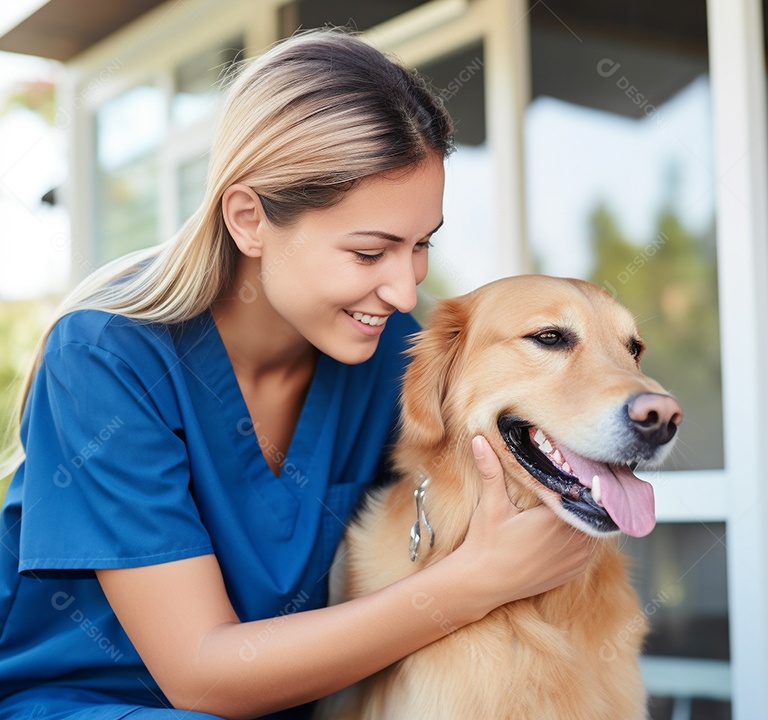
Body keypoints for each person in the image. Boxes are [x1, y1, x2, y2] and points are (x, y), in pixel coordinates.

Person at [0, 30, 592, 720]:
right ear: (249, 219)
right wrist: (473, 582)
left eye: (421, 244)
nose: (405, 291)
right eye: (370, 252)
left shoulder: (389, 353)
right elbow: (201, 674)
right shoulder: (105, 359)